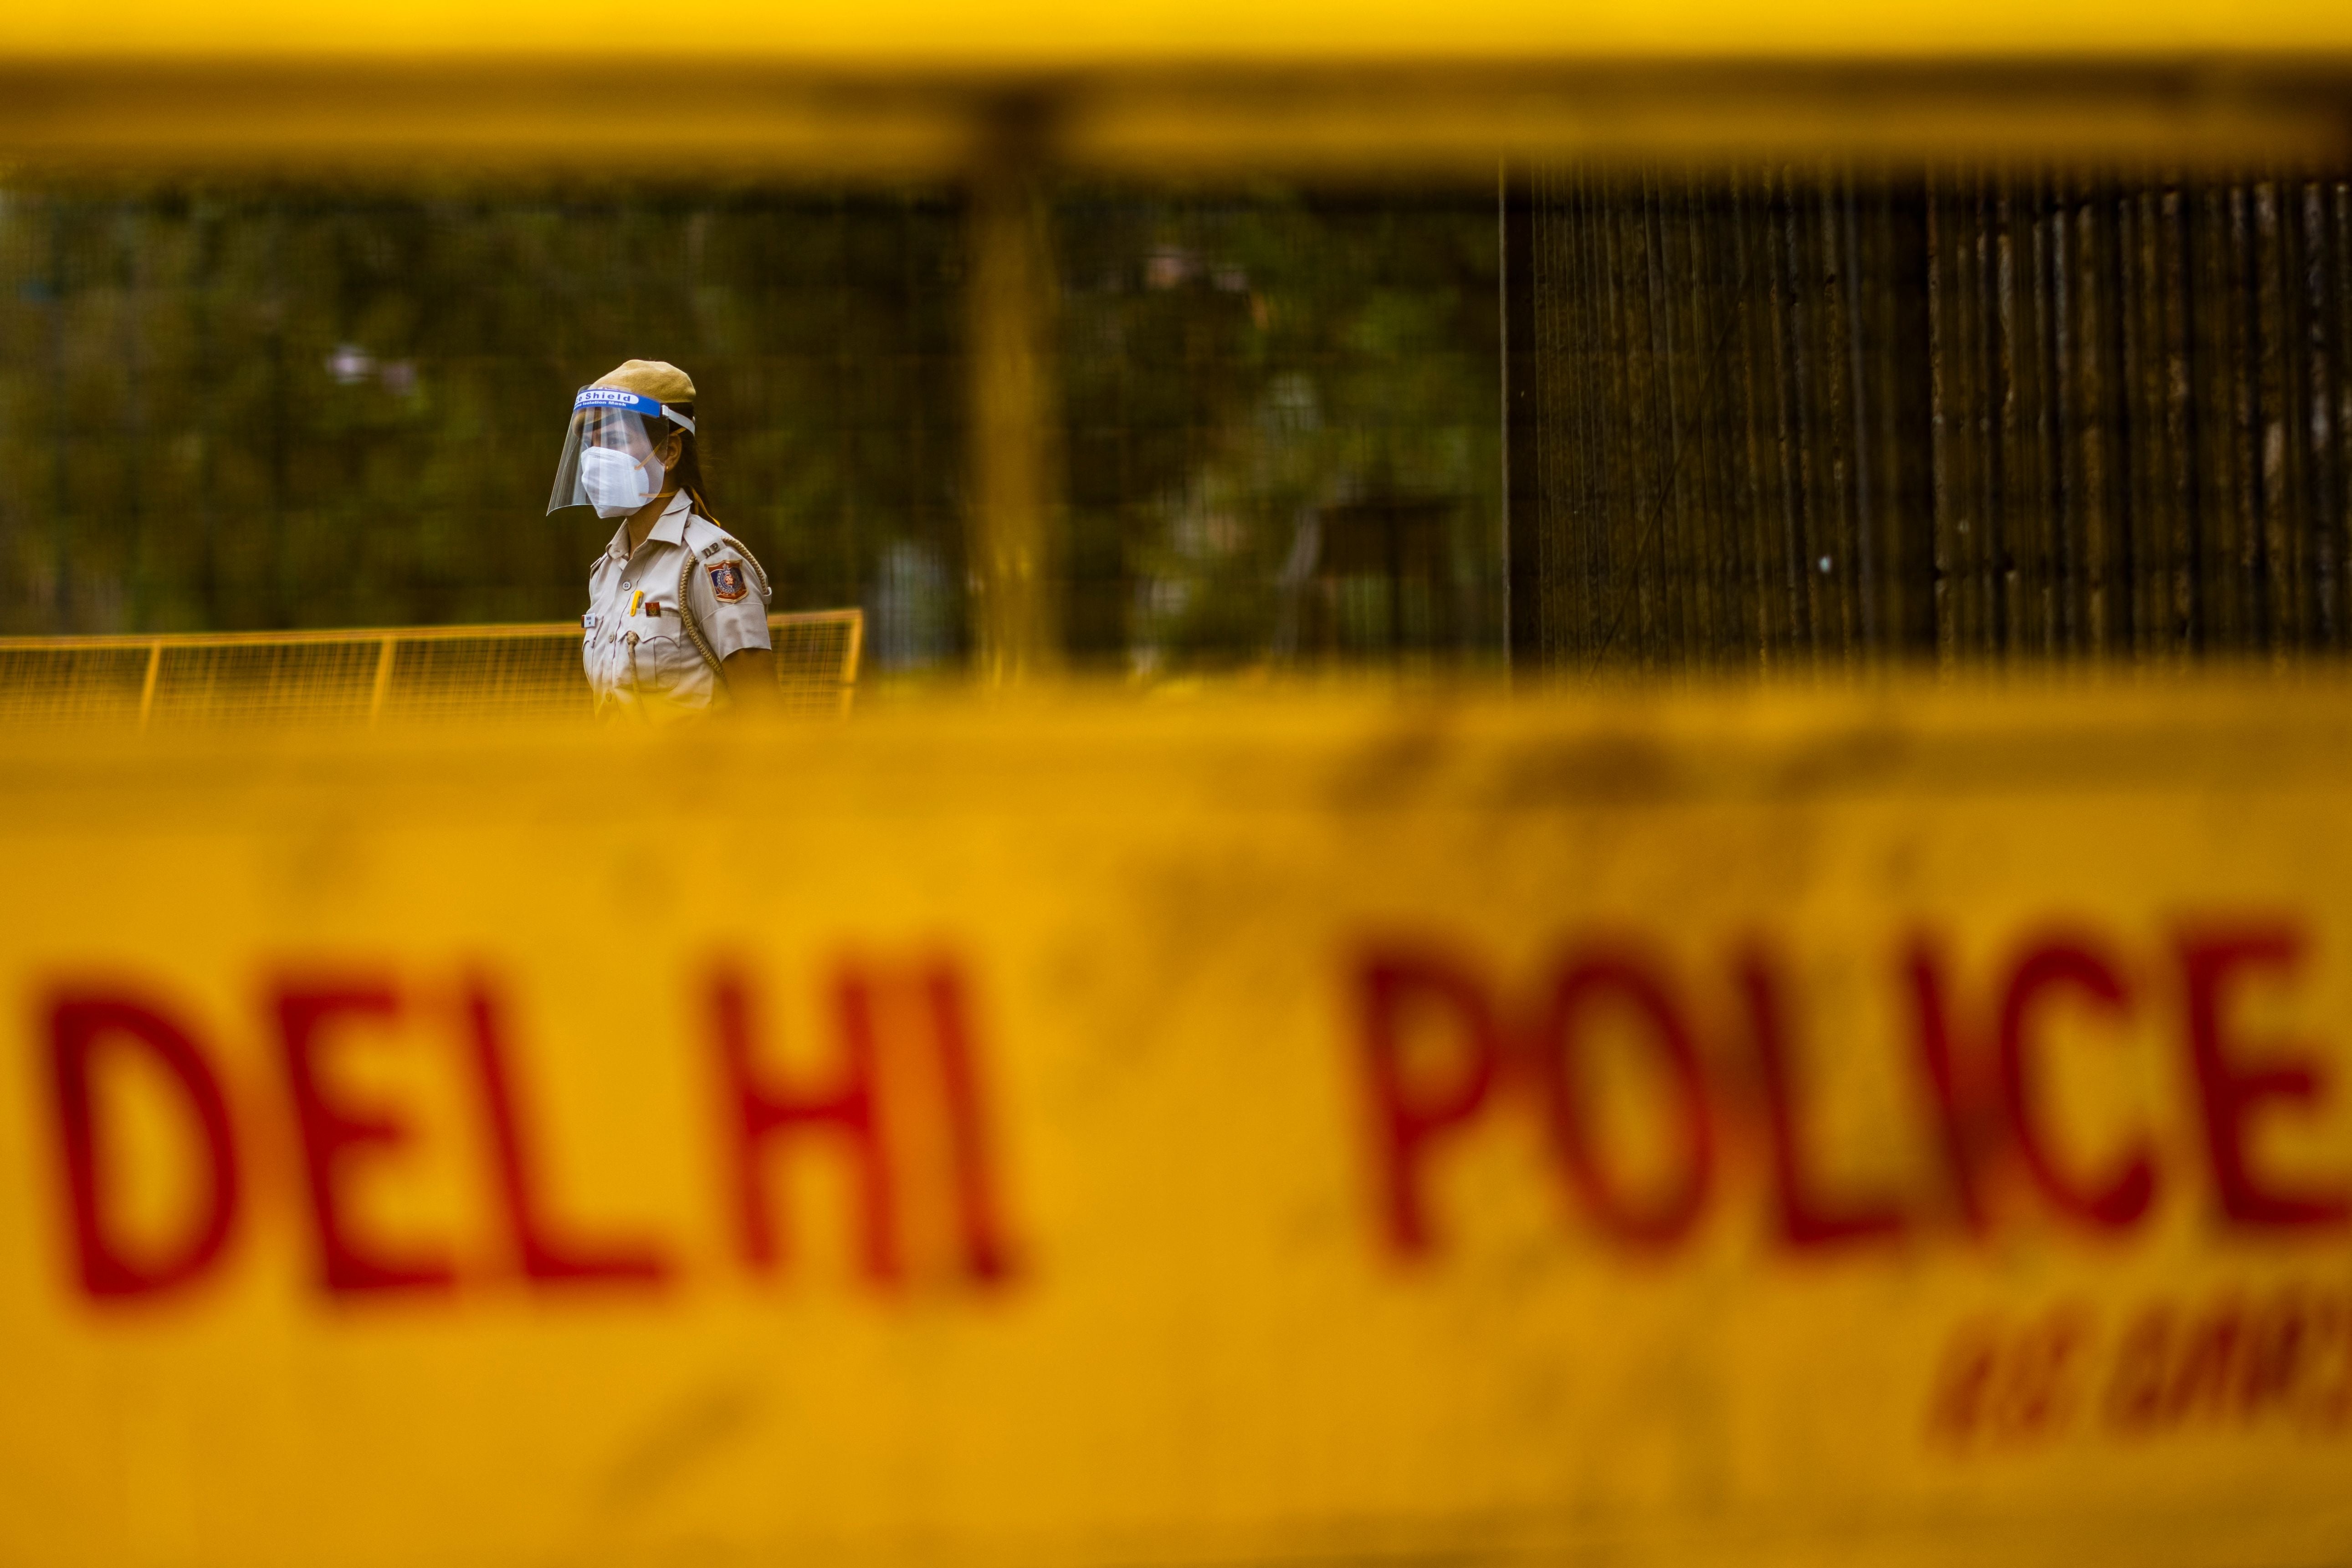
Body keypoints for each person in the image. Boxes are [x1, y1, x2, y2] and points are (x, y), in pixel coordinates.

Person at [548, 359, 775, 717]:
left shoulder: (709, 563)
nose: (596, 459)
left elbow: (763, 711)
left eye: (614, 439)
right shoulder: (606, 571)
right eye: (591, 445)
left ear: (669, 452)